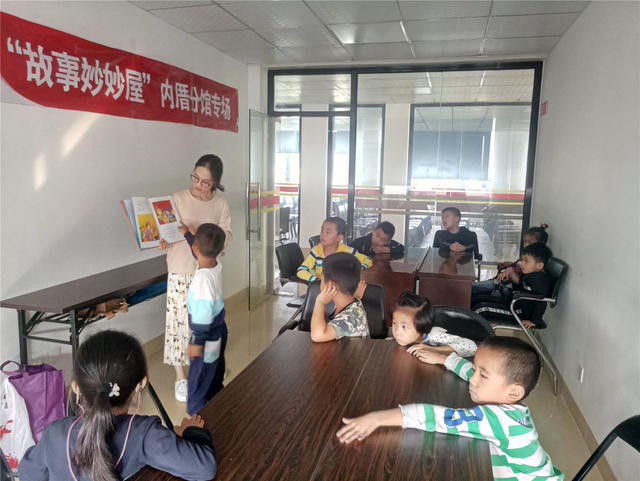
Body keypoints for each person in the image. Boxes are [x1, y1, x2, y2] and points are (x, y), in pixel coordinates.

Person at [336, 336, 564, 481]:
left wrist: (376, 419)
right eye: (475, 370)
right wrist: (443, 358)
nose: (473, 379)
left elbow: (437, 417)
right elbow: (468, 370)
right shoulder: (511, 404)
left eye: (482, 375)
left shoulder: (497, 419)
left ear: (513, 392)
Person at [18, 330, 216, 481]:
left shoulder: (54, 433)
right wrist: (193, 432)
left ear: (76, 388)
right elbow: (204, 468)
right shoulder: (144, 434)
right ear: (141, 384)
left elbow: (28, 473)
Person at [158, 154, 232, 402]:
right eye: (195, 178)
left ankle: (207, 369)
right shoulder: (178, 198)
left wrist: (199, 235)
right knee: (178, 323)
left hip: (206, 271)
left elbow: (226, 237)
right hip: (179, 268)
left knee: (207, 324)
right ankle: (181, 377)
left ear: (215, 182)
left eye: (205, 182)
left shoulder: (220, 204)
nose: (199, 185)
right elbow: (167, 229)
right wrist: (162, 240)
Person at [473, 243, 554, 329]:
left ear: (539, 265)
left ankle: (471, 332)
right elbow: (521, 286)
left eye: (526, 261)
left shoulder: (539, 280)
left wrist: (534, 321)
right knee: (478, 297)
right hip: (512, 302)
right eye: (522, 260)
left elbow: (541, 300)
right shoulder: (529, 274)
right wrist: (512, 278)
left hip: (519, 312)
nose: (521, 263)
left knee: (481, 308)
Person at [391, 291, 477, 358]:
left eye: (404, 326)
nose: (397, 331)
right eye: (394, 323)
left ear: (423, 329)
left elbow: (472, 347)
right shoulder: (406, 338)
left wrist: (433, 349)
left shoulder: (434, 335)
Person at [474, 224, 549, 295]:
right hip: (503, 282)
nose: (525, 245)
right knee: (475, 288)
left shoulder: (535, 271)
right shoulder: (530, 259)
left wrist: (511, 271)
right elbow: (519, 266)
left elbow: (521, 279)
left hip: (505, 285)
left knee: (473, 287)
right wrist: (512, 264)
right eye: (524, 242)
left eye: (528, 242)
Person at [310, 252, 369, 342]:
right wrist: (356, 296)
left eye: (322, 278)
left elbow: (318, 336)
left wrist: (320, 302)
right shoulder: (352, 303)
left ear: (331, 286)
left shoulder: (350, 318)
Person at [296, 217, 372, 282]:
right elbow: (301, 270)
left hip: (342, 288)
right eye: (322, 231)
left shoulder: (348, 251)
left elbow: (369, 260)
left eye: (328, 232)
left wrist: (361, 267)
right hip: (322, 288)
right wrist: (316, 280)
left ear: (339, 238)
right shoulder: (316, 251)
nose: (323, 235)